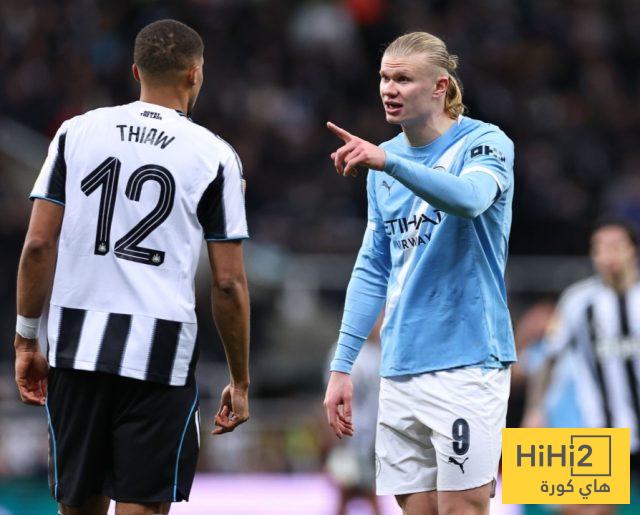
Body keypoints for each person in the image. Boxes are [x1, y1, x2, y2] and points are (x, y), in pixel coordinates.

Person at [13, 19, 250, 515]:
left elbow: (37, 245)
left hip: (76, 347)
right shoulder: (215, 156)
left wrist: (26, 339)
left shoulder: (75, 133)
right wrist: (240, 379)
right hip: (160, 354)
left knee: (78, 505)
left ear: (136, 70)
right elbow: (228, 283)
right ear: (195, 73)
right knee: (144, 506)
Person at [323, 32, 516, 515]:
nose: (389, 89)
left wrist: (390, 162)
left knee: (461, 509)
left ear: (439, 87)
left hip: (468, 361)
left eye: (404, 79)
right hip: (399, 366)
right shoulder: (382, 164)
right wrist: (342, 367)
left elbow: (471, 199)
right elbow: (372, 268)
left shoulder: (483, 142)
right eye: (384, 78)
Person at [523, 219, 640, 515]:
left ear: (632, 251)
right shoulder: (578, 300)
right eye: (599, 248)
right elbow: (548, 358)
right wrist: (535, 410)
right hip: (601, 427)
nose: (607, 255)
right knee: (584, 508)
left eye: (615, 246)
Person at [325, 313, 382, 515]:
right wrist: (336, 439)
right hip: (352, 436)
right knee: (356, 491)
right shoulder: (344, 354)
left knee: (354, 493)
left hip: (375, 437)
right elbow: (333, 399)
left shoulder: (380, 352)